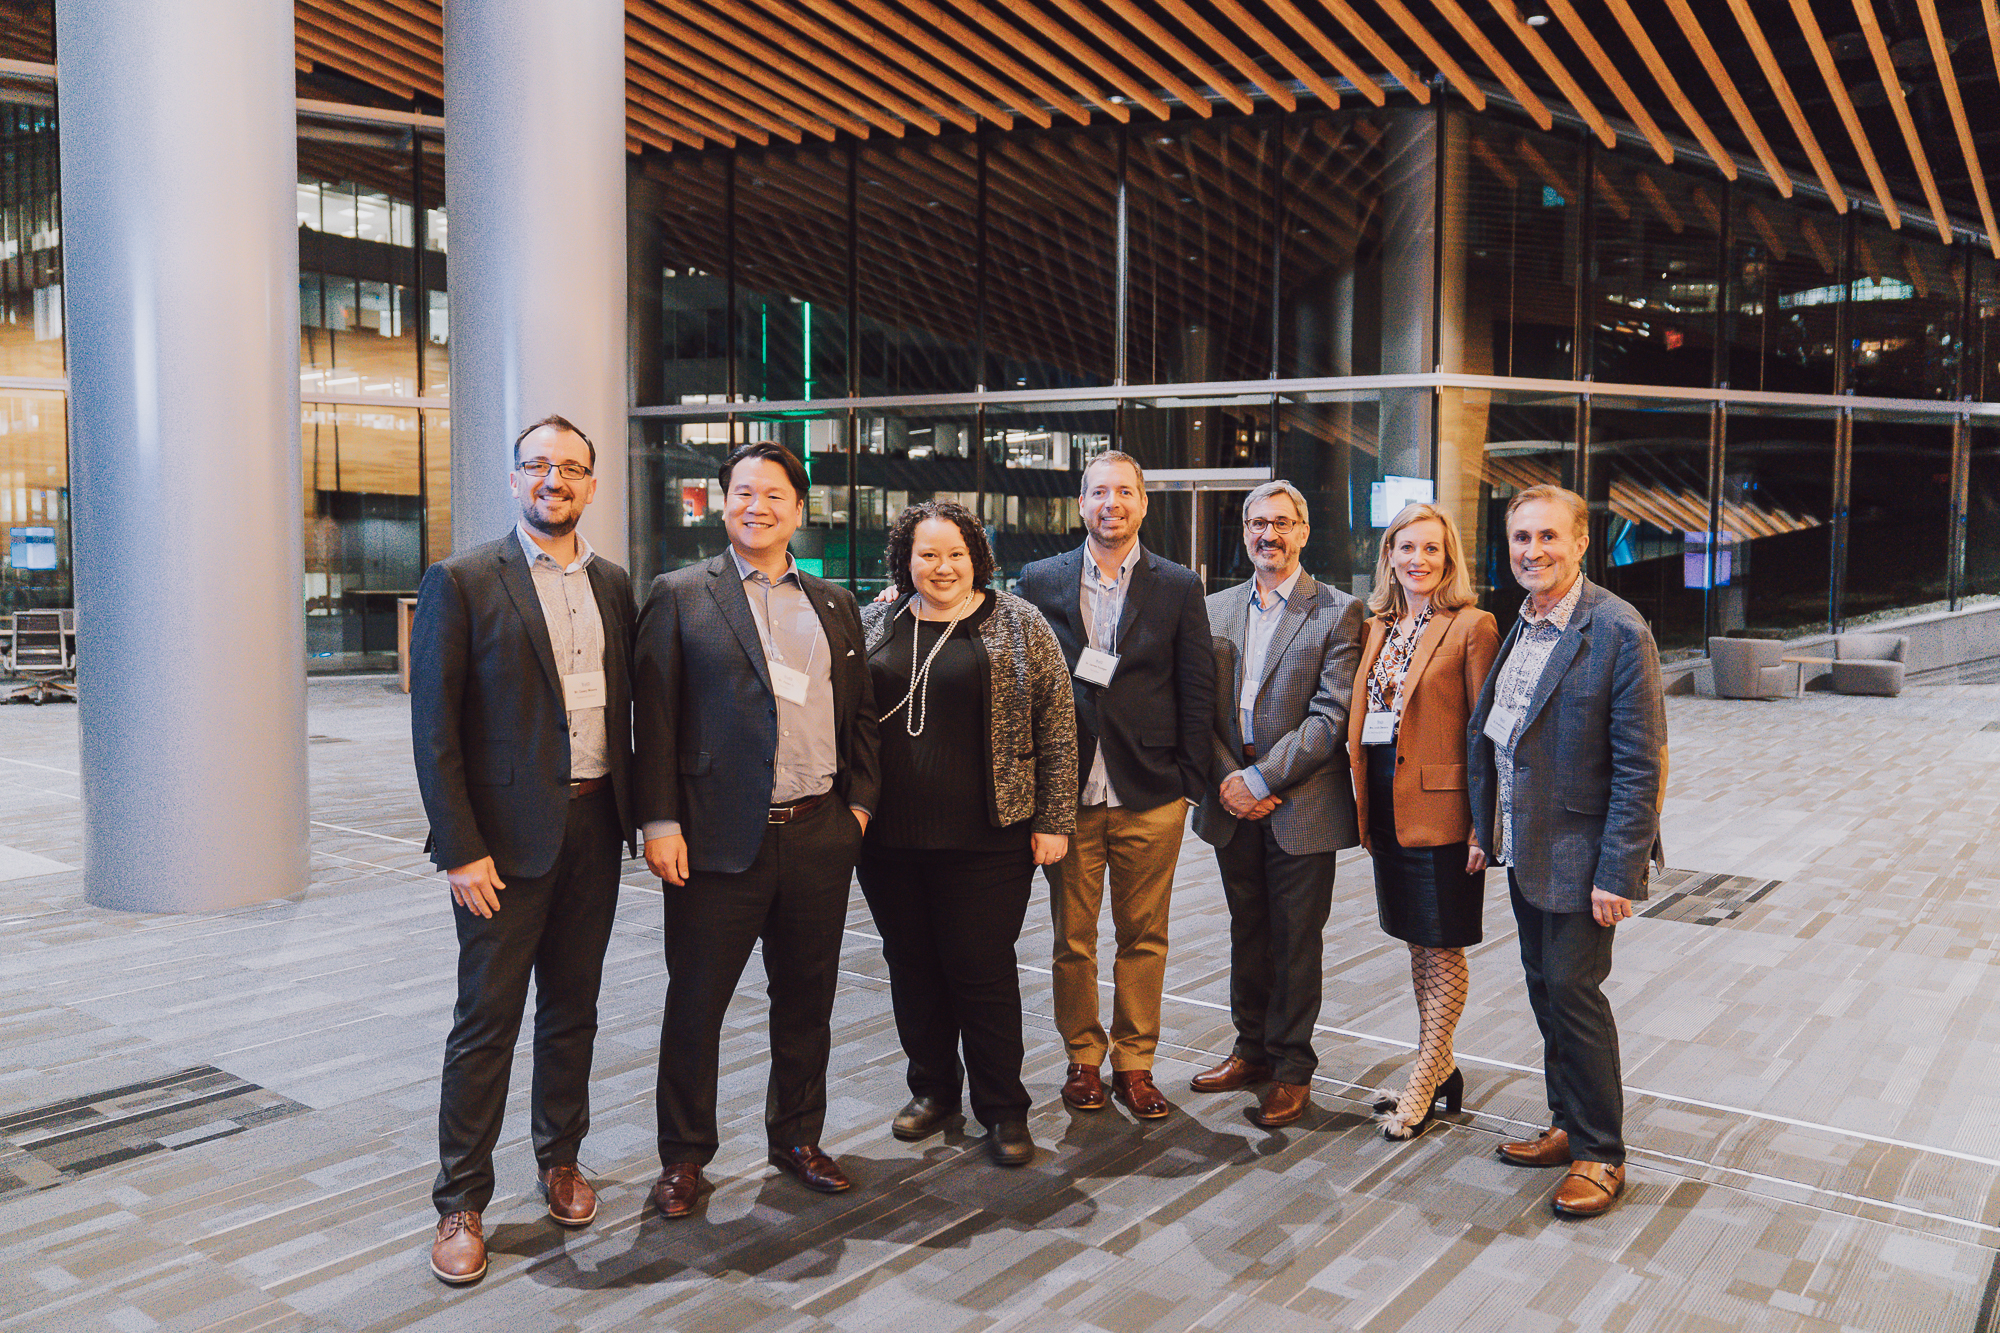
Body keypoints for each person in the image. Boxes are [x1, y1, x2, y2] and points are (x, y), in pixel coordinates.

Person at [410, 415, 635, 1285]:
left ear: (590, 484)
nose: (555, 480)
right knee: (486, 1023)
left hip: (594, 826)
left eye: (572, 468)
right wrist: (460, 848)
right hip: (499, 847)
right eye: (539, 465)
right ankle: (460, 1199)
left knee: (572, 1011)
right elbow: (435, 728)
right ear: (514, 479)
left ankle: (560, 1158)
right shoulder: (463, 580)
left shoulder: (614, 582)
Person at [633, 440, 881, 1218]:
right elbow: (655, 717)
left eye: (774, 494)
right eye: (743, 492)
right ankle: (683, 1157)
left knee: (807, 996)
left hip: (818, 832)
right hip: (713, 839)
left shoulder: (835, 602)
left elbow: (860, 715)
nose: (757, 506)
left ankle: (797, 1135)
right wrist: (660, 819)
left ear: (798, 511)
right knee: (697, 1001)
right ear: (723, 502)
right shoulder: (679, 593)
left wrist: (858, 811)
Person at [856, 500, 1077, 1167]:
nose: (942, 566)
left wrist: (1054, 819)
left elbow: (1058, 724)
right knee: (912, 968)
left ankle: (1003, 1106)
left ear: (975, 555)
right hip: (889, 841)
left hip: (990, 837)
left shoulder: (1018, 622)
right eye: (927, 554)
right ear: (905, 559)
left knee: (980, 971)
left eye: (954, 553)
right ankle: (933, 1091)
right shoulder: (873, 621)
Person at [1468, 483, 1666, 1218]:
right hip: (1527, 849)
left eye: (1548, 536)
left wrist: (1620, 869)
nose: (1533, 551)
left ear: (1582, 542)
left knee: (1575, 994)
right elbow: (1499, 736)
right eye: (1522, 538)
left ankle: (1601, 1153)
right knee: (1545, 987)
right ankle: (1565, 1121)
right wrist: (1483, 829)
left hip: (1586, 859)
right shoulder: (1520, 622)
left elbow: (1640, 763)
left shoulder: (1617, 629)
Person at [1015, 450, 1215, 1120]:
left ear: (1143, 503)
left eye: (1125, 492)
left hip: (1148, 792)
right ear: (1081, 503)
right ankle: (1082, 1058)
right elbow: (1023, 684)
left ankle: (1135, 1062)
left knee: (1144, 935)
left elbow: (1196, 687)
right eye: (1099, 492)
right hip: (1065, 799)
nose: (1112, 503)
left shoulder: (1178, 585)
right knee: (1072, 938)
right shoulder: (1039, 579)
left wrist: (1188, 781)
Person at [1190, 481, 1364, 1127]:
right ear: (1244, 532)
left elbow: (1331, 715)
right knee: (1248, 931)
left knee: (1295, 941)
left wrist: (1261, 780)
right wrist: (1228, 778)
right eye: (1259, 523)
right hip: (1229, 797)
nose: (1271, 534)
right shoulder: (1213, 610)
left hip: (1300, 804)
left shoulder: (1340, 611)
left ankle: (1292, 1068)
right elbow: (1196, 707)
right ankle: (1250, 1050)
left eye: (1284, 523)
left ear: (1304, 531)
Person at [1347, 503, 1499, 1140]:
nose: (1418, 560)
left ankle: (1424, 1073)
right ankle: (1442, 1066)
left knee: (1442, 946)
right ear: (1389, 555)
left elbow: (1487, 734)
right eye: (1406, 548)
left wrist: (1481, 827)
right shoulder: (1378, 626)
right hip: (1386, 808)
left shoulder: (1473, 626)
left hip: (1444, 813)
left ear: (1449, 558)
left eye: (1431, 549)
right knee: (1417, 942)